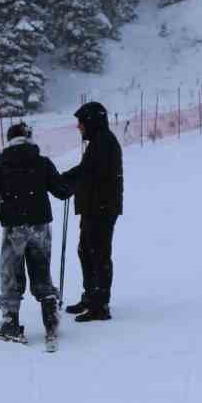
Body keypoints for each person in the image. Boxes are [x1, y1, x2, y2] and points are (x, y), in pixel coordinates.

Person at [0, 123, 71, 340]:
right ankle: (50, 319)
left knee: (11, 272)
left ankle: (10, 323)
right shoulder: (42, 162)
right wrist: (73, 180)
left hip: (14, 227)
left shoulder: (1, 165)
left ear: (8, 140)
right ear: (30, 139)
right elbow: (62, 190)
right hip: (40, 226)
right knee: (41, 270)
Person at [62, 101, 124, 322]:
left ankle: (100, 304)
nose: (79, 127)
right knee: (86, 251)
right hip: (93, 206)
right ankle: (91, 296)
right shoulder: (98, 142)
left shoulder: (104, 143)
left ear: (91, 122)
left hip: (102, 207)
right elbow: (86, 173)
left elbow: (88, 172)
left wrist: (65, 181)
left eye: (81, 122)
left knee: (98, 254)